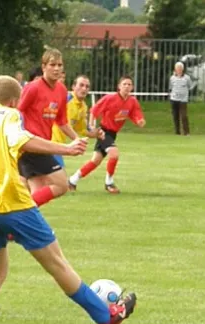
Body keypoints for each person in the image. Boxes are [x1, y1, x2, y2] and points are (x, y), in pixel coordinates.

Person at [0, 75, 137, 324]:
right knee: (57, 263)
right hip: (12, 201)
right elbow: (22, 140)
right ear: (14, 101)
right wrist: (66, 148)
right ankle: (107, 317)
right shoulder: (9, 116)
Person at [17, 48, 82, 208]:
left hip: (43, 145)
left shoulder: (61, 90)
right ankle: (19, 215)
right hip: (31, 146)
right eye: (52, 64)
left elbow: (62, 121)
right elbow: (17, 112)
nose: (57, 68)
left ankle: (20, 227)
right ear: (44, 67)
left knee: (37, 193)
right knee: (61, 185)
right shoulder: (33, 88)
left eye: (60, 65)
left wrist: (77, 139)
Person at [68, 76, 146, 194]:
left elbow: (135, 113)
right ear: (119, 86)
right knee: (114, 154)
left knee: (95, 161)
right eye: (124, 84)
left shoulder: (132, 101)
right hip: (104, 132)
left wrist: (139, 120)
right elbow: (94, 110)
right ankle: (109, 183)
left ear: (132, 87)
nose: (127, 86)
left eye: (129, 84)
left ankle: (72, 180)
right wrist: (91, 126)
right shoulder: (110, 98)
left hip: (113, 134)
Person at [51, 75, 104, 168]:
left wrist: (95, 134)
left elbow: (82, 129)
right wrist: (77, 140)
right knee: (59, 179)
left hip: (58, 147)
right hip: (50, 144)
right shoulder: (65, 100)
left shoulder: (83, 107)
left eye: (87, 87)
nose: (84, 88)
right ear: (73, 87)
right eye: (81, 85)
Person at [169, 62, 192, 136]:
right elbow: (171, 87)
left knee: (184, 115)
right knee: (175, 116)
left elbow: (189, 86)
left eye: (180, 68)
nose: (178, 70)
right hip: (174, 99)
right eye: (177, 68)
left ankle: (186, 132)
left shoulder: (187, 78)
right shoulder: (172, 78)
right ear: (175, 69)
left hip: (183, 100)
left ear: (182, 69)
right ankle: (177, 132)